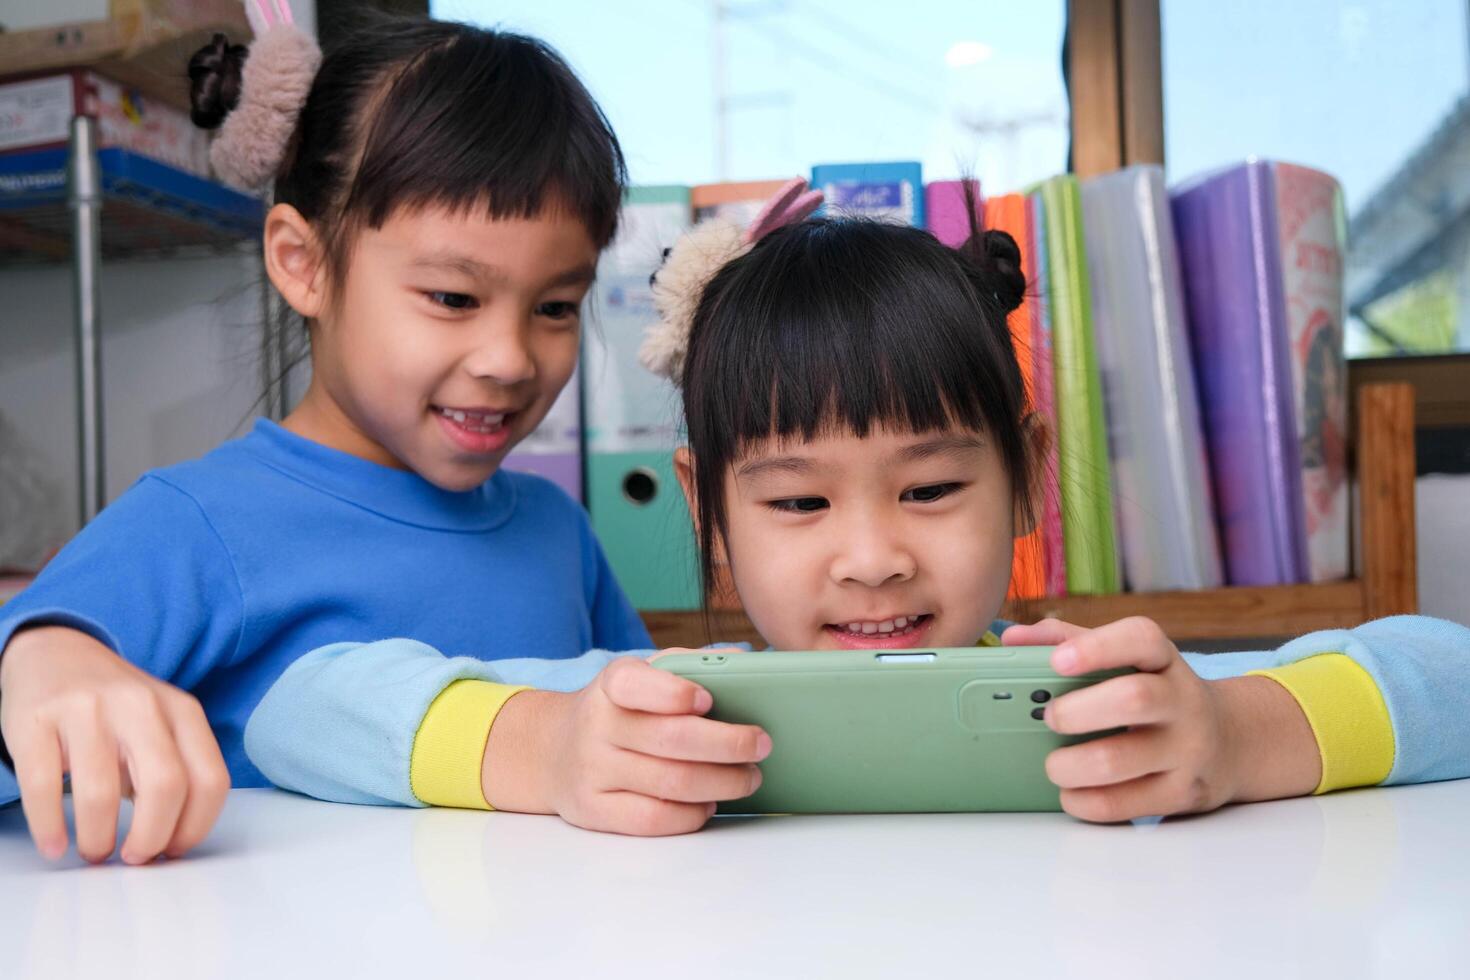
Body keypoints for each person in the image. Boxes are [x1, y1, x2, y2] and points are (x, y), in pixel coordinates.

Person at [247, 190, 1470, 833]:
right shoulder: (666, 708)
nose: (875, 558)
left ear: (1026, 474)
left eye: (933, 488)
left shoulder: (1099, 700)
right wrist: (546, 749)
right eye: (795, 500)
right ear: (708, 514)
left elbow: (1448, 671)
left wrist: (1235, 738)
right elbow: (302, 708)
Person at [0, 10, 692, 865]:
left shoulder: (558, 530)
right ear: (304, 263)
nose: (510, 359)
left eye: (554, 307)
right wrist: (43, 659)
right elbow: (35, 665)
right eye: (451, 297)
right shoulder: (200, 523)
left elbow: (647, 748)